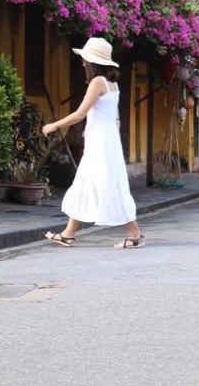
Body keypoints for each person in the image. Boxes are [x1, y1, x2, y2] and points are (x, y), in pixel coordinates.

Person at [41, 37, 144, 249]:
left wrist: (53, 125)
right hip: (106, 140)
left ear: (93, 62)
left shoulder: (98, 83)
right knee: (87, 183)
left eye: (85, 60)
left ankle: (134, 233)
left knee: (106, 185)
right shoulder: (112, 84)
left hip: (101, 142)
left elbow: (80, 114)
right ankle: (68, 234)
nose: (83, 63)